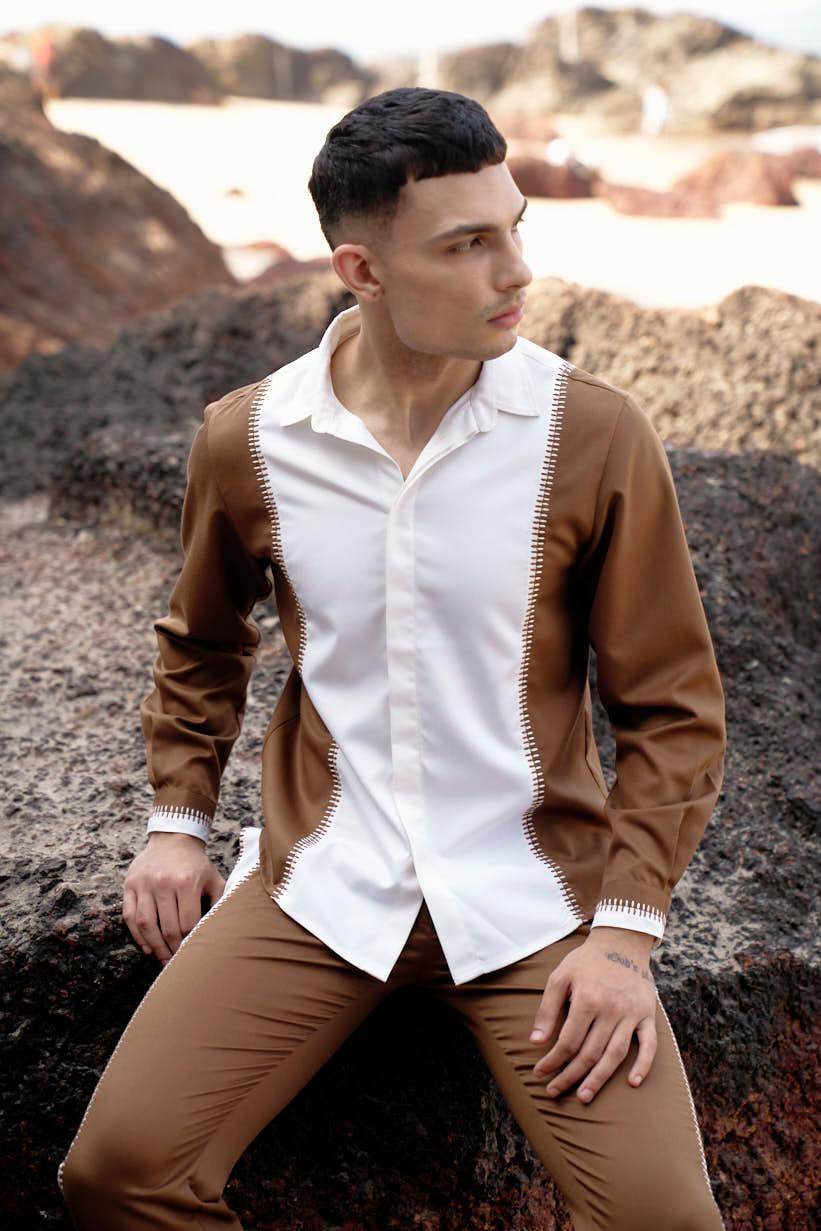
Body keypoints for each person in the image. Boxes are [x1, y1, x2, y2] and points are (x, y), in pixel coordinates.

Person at [57, 87, 727, 1230]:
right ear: (360, 271)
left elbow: (670, 708)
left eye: (513, 228)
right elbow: (202, 641)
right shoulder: (250, 438)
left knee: (662, 1219)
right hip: (322, 886)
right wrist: (177, 820)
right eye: (465, 246)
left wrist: (623, 935)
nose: (513, 272)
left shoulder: (591, 433)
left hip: (534, 902)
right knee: (116, 1173)